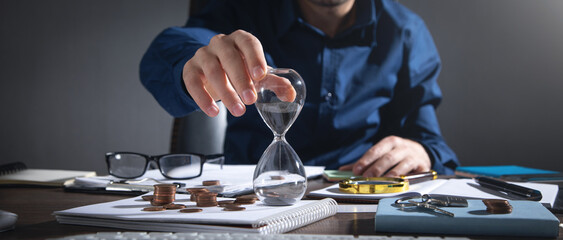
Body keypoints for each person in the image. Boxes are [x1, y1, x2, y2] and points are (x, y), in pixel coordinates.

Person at [140, 0, 460, 177]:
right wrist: (193, 60)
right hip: (251, 194)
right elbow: (168, 48)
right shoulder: (243, 10)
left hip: (355, 197)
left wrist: (421, 151)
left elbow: (429, 139)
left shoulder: (405, 32)